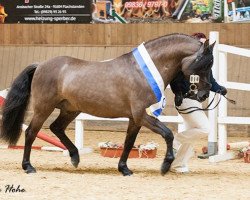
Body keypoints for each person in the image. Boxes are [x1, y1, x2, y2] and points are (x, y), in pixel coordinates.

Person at [169, 33, 227, 173]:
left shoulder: (204, 65)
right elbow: (174, 80)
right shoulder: (183, 61)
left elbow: (210, 82)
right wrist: (178, 93)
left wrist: (219, 89)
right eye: (199, 44)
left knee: (192, 135)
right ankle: (175, 140)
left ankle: (178, 165)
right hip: (185, 100)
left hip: (196, 102)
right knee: (205, 128)